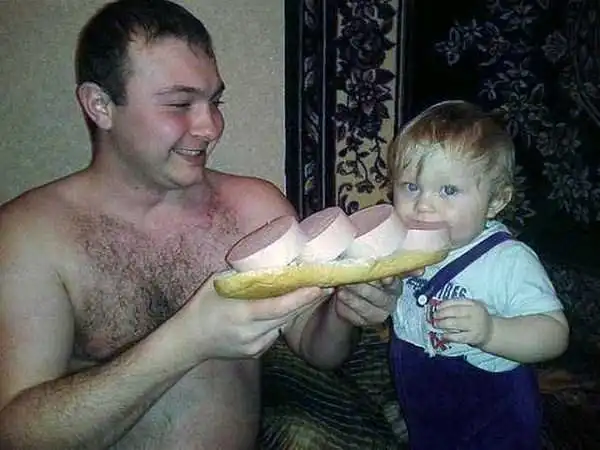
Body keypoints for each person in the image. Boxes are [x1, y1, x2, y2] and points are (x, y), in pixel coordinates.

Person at [0, 1, 400, 449]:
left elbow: (317, 347)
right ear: (100, 105)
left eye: (214, 101)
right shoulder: (31, 236)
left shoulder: (255, 207)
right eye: (179, 103)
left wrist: (344, 311)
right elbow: (16, 433)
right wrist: (187, 341)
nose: (210, 127)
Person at [387, 100, 570, 450]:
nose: (423, 205)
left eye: (448, 190)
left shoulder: (507, 261)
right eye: (410, 186)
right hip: (423, 402)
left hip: (494, 413)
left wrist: (492, 332)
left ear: (496, 201)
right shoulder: (399, 245)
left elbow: (554, 334)